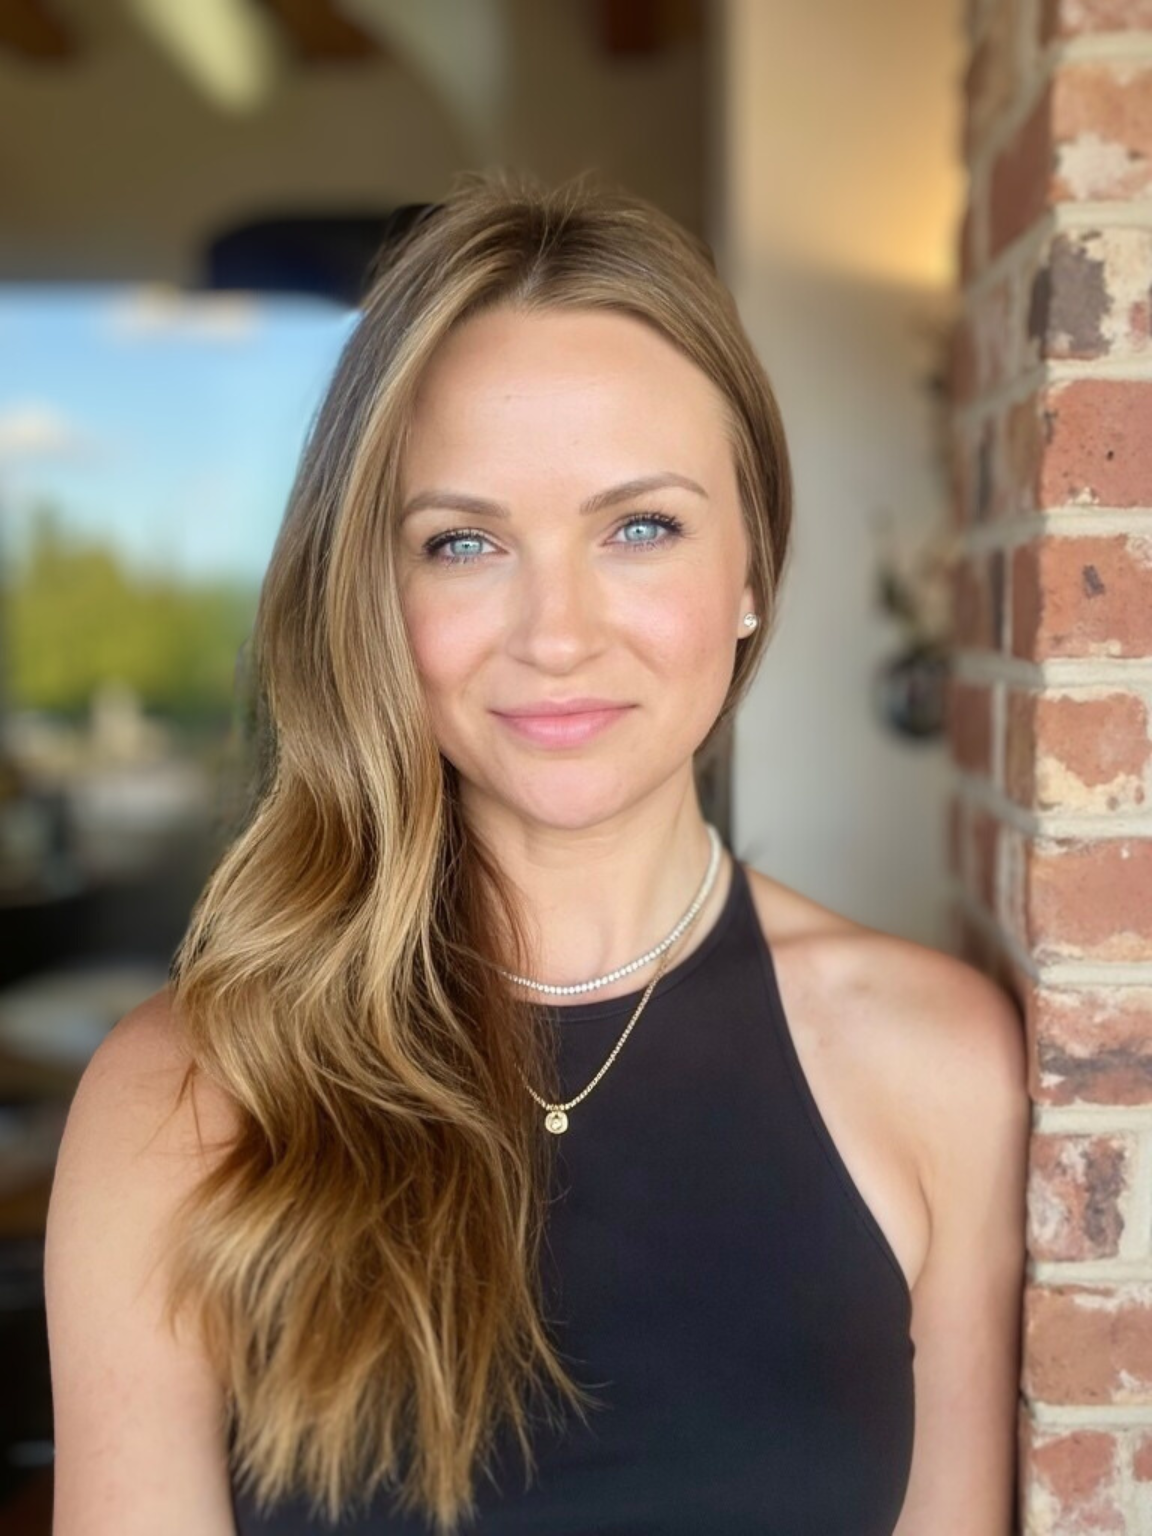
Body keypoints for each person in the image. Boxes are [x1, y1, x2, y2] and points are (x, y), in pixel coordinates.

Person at [43, 168, 1030, 1536]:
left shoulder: (939, 1063)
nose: (556, 633)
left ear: (750, 569)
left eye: (640, 527)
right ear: (377, 598)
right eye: (462, 542)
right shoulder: (184, 1100)